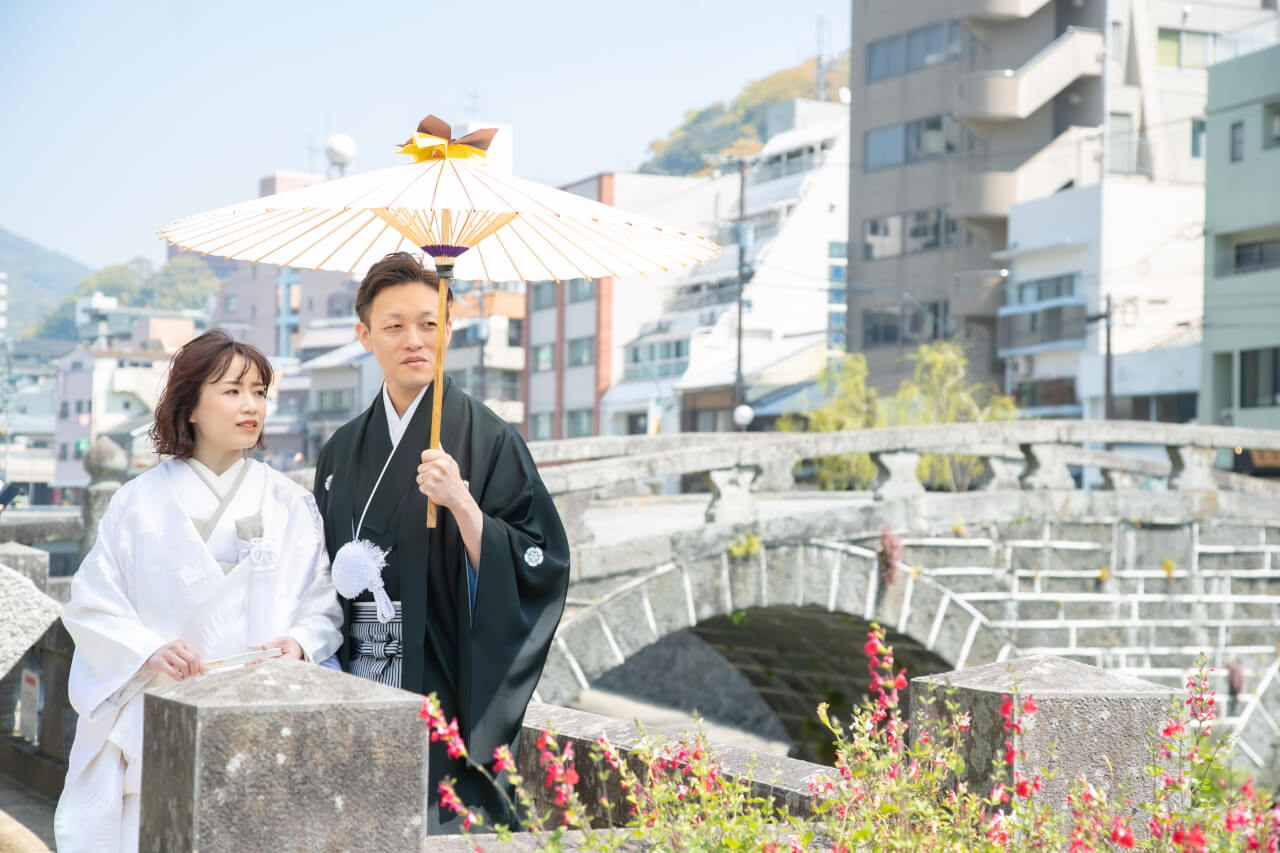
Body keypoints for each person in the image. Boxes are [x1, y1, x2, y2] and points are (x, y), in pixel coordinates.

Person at [54, 330, 343, 853]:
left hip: (261, 715)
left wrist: (300, 642)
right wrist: (147, 649)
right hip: (162, 714)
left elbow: (321, 604)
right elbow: (93, 604)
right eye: (232, 391)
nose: (251, 406)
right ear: (190, 406)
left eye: (259, 392)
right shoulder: (136, 503)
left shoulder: (291, 502)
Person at [312, 252, 569, 833]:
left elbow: (539, 563)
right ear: (364, 336)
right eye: (394, 325)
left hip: (445, 687)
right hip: (357, 681)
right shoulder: (340, 451)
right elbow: (316, 575)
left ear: (449, 329)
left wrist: (462, 503)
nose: (414, 339)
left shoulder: (490, 438)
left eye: (429, 323)